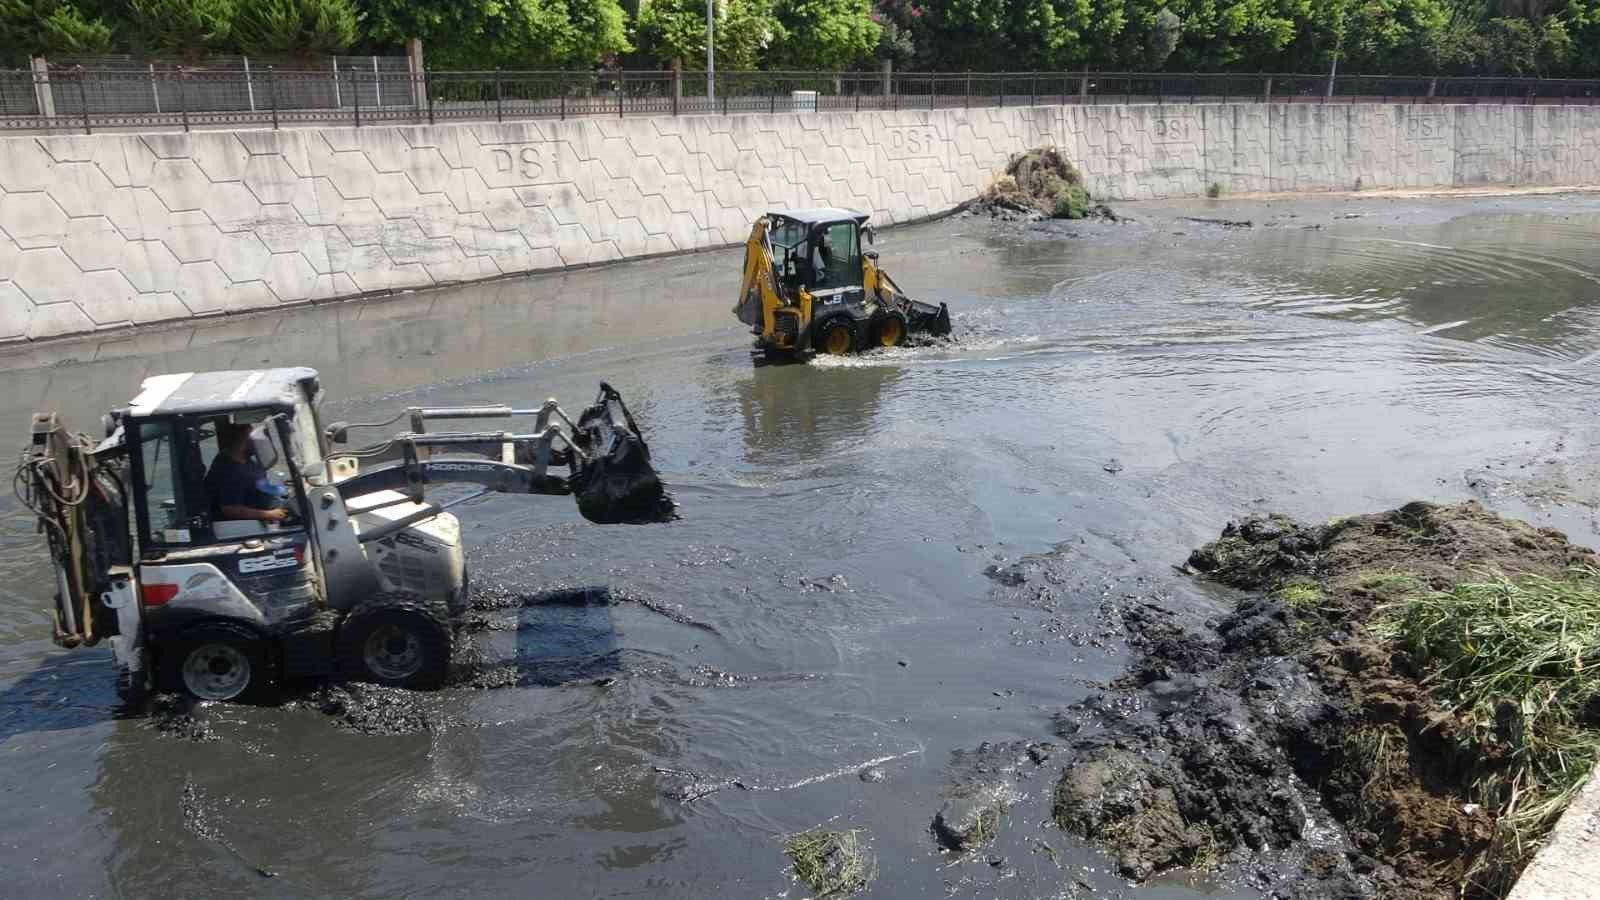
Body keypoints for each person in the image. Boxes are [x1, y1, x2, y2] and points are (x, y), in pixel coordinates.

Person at [205, 422, 290, 523]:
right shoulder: (228, 469)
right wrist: (269, 514)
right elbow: (230, 510)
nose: (258, 441)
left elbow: (260, 486)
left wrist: (283, 491)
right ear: (242, 439)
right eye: (253, 437)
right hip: (245, 529)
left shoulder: (248, 462)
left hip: (266, 517)